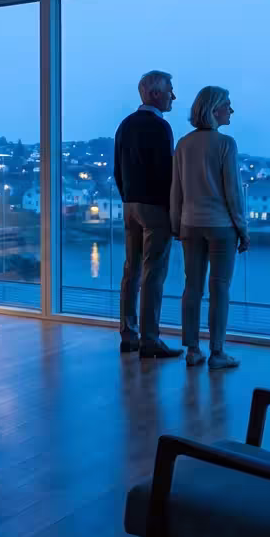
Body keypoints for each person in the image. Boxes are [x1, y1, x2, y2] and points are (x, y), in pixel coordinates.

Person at [171, 85, 248, 369]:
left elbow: (175, 190)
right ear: (214, 109)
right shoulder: (226, 144)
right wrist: (243, 229)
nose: (231, 110)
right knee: (220, 289)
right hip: (220, 226)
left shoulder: (183, 144)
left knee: (192, 288)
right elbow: (233, 194)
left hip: (190, 224)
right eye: (227, 104)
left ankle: (192, 349)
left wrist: (175, 223)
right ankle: (217, 352)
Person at [113, 71, 183, 359]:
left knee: (131, 271)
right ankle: (150, 339)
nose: (173, 96)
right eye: (170, 90)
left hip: (130, 205)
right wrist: (174, 210)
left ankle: (128, 334)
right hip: (155, 207)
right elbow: (167, 173)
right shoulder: (160, 127)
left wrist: (127, 197)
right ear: (156, 94)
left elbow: (117, 170)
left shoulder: (125, 125)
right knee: (153, 274)